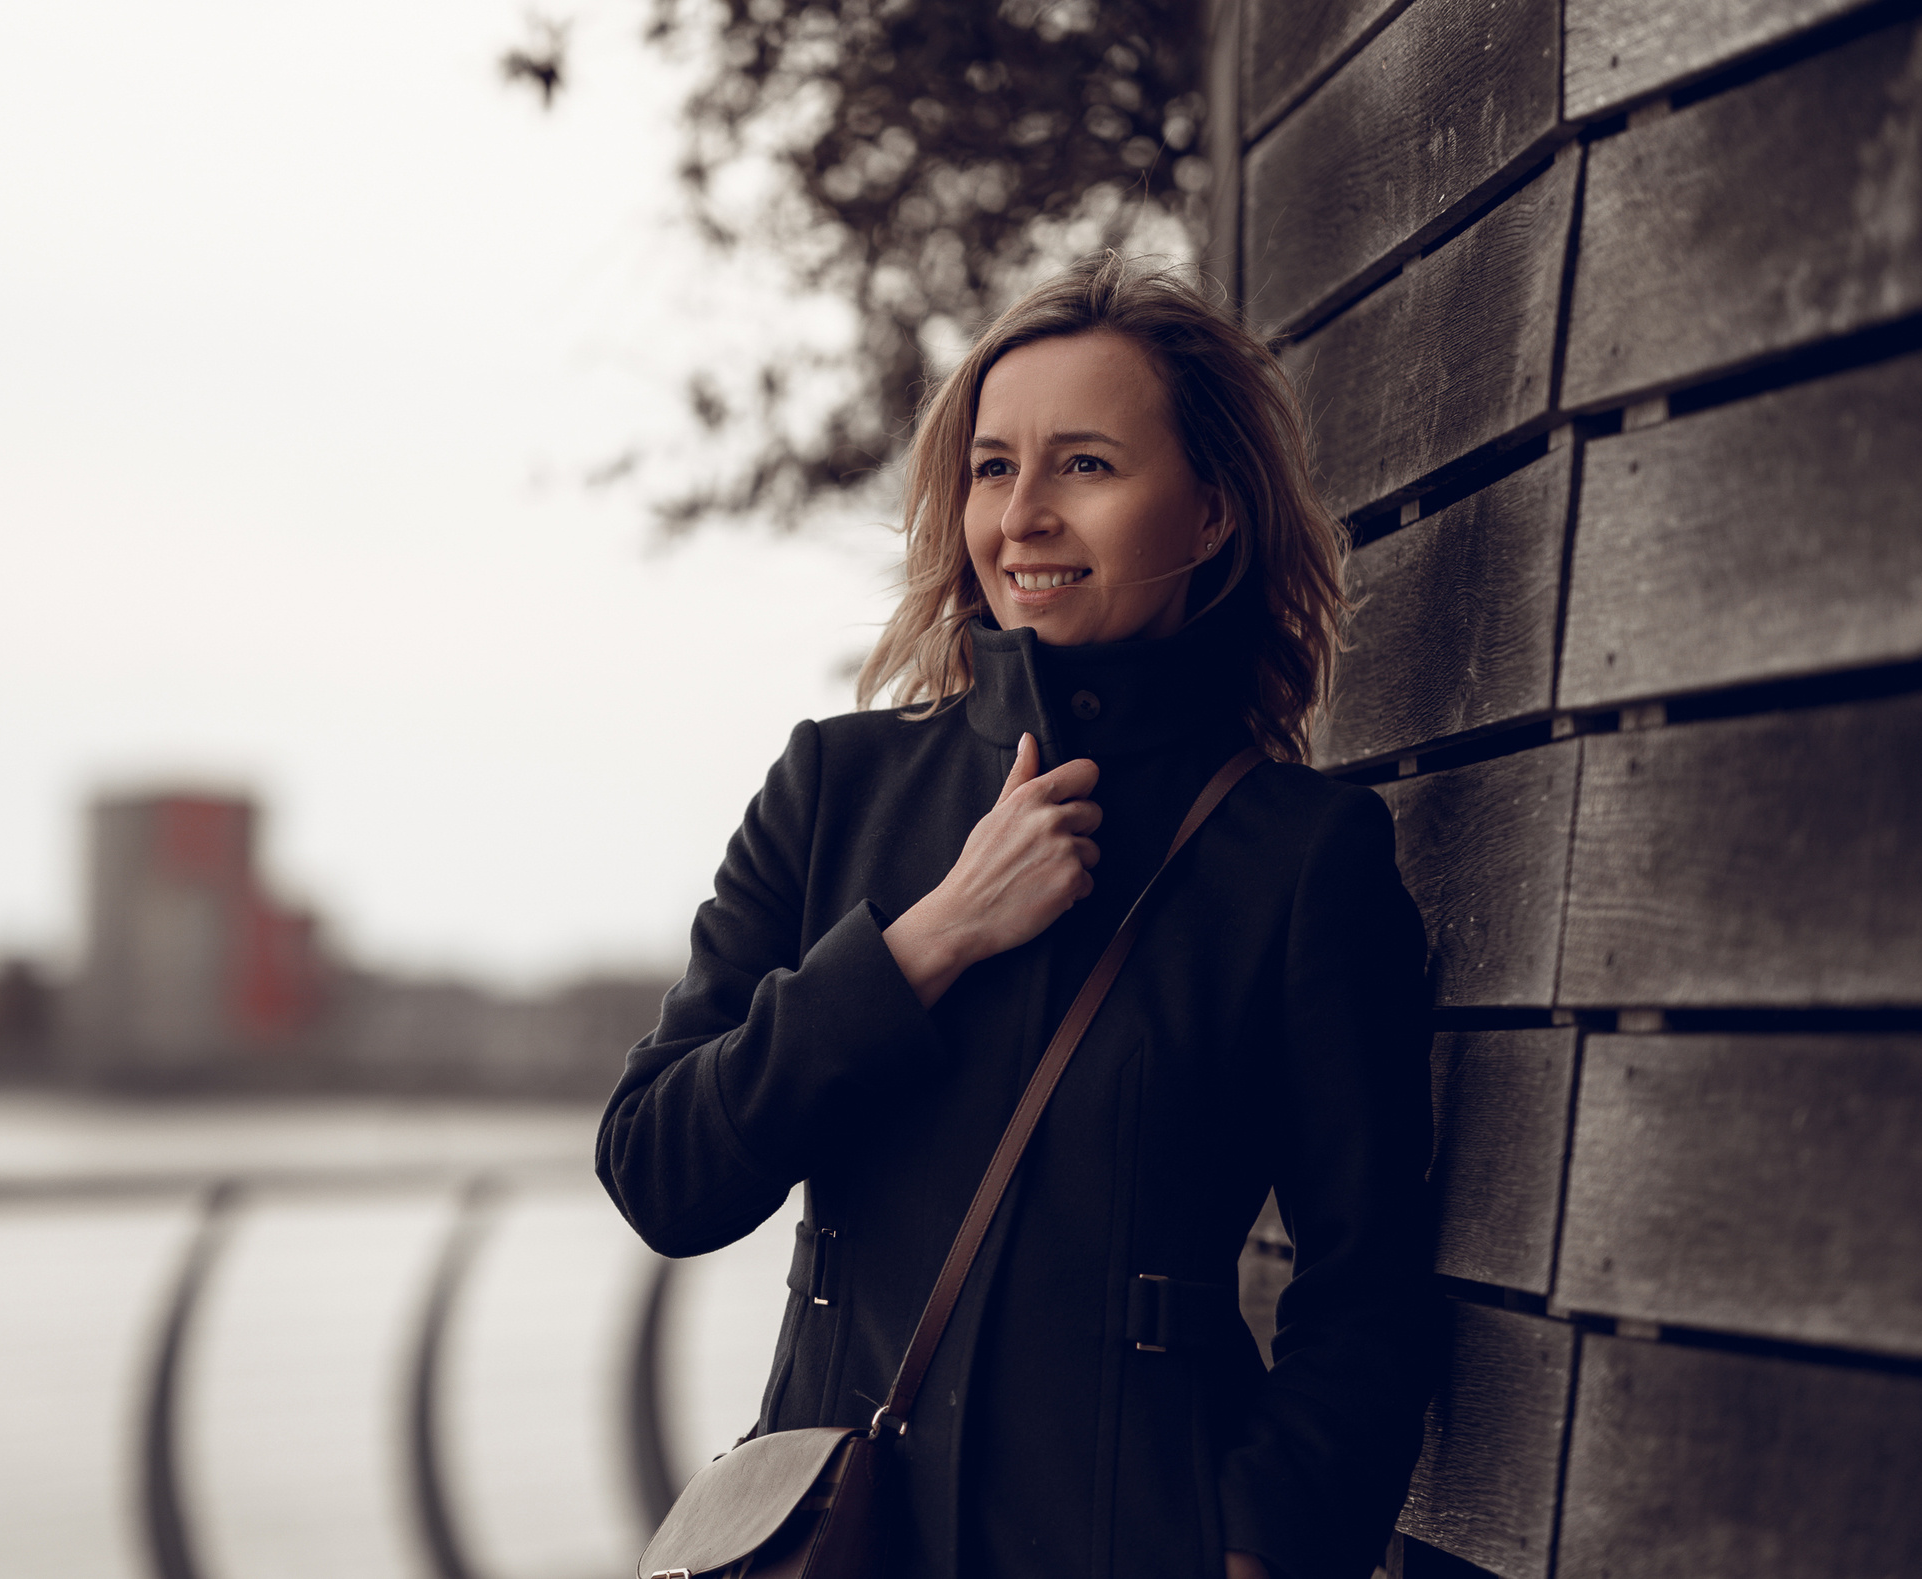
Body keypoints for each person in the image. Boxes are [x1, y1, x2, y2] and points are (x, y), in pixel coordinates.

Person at [598, 253, 1437, 1579]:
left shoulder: (1300, 857)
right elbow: (662, 1174)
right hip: (834, 1547)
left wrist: (1259, 1553)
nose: (1025, 516)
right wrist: (926, 943)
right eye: (994, 468)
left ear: (1209, 515)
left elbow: (1372, 1285)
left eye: (1086, 467)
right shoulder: (834, 789)